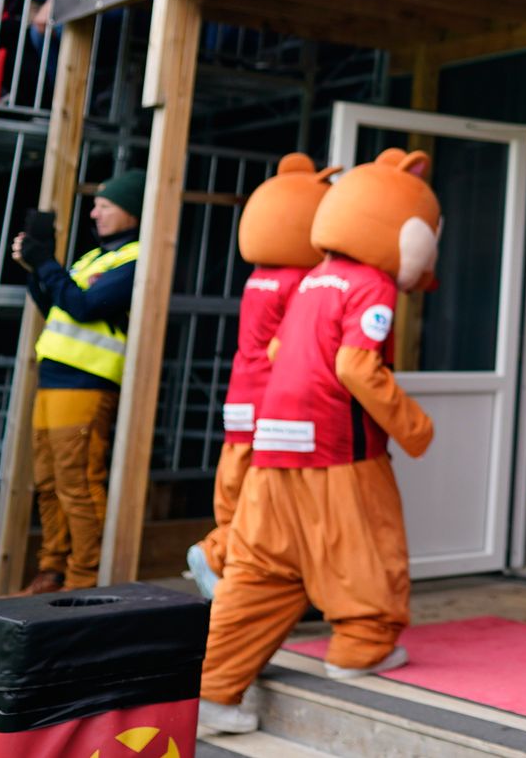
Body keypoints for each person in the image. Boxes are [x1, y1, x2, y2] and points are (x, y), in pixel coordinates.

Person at [199, 147, 438, 734]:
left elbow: (283, 353)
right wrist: (412, 425)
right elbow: (356, 365)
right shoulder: (370, 284)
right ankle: (363, 647)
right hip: (337, 448)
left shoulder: (311, 280)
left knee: (261, 571)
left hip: (274, 447)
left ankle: (212, 691)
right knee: (368, 549)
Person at [186, 152, 338, 599]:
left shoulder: (259, 276)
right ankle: (221, 556)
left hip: (241, 396)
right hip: (272, 403)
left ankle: (228, 555)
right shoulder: (301, 281)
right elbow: (288, 346)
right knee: (269, 497)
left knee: (236, 489)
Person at [8, 168, 146, 594]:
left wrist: (48, 263)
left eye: (106, 205)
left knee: (78, 483)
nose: (95, 213)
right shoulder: (95, 258)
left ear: (132, 212)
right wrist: (37, 267)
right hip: (54, 379)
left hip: (87, 384)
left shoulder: (137, 258)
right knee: (48, 482)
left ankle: (85, 577)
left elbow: (86, 307)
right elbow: (58, 306)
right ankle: (52, 568)